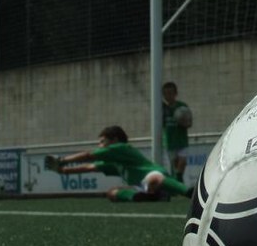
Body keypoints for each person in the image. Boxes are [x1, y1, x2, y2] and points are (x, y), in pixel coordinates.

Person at [45, 125, 193, 202]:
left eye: (102, 141)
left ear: (114, 139)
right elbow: (90, 167)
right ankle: (149, 197)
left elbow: (88, 156)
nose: (100, 145)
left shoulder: (120, 148)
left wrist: (62, 161)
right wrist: (62, 171)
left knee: (155, 179)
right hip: (140, 186)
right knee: (112, 193)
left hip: (152, 175)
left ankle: (190, 193)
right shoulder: (115, 160)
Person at [162, 82, 192, 183]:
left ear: (175, 94)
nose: (168, 96)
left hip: (182, 140)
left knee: (182, 162)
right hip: (170, 141)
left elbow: (189, 123)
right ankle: (178, 180)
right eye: (165, 94)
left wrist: (183, 122)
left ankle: (179, 178)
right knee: (175, 165)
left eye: (170, 93)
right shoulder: (162, 108)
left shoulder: (182, 107)